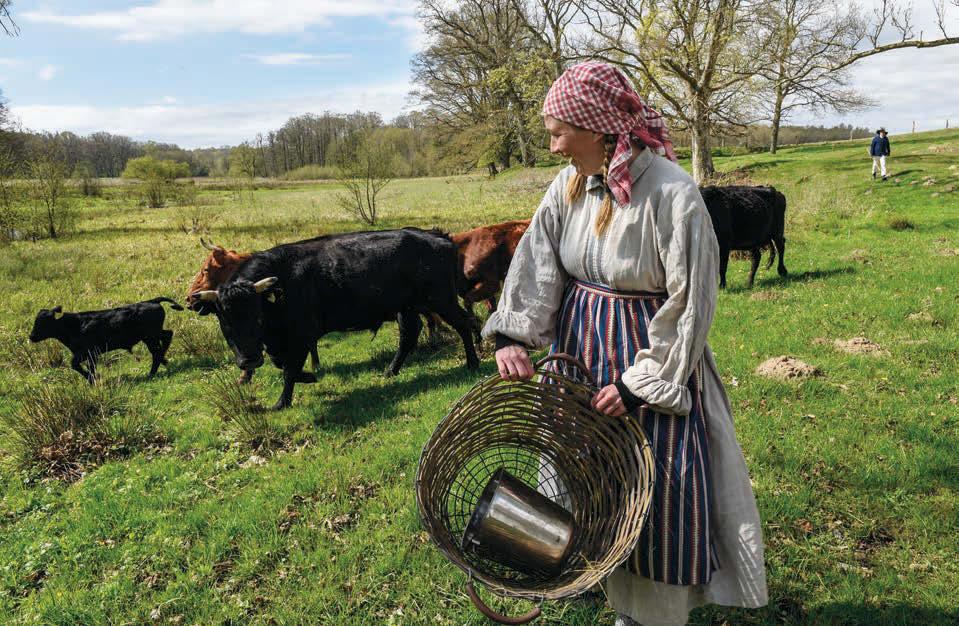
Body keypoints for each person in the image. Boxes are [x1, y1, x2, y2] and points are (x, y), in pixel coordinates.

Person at [482, 61, 767, 626]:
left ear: (599, 128)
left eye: (559, 131)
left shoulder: (673, 193)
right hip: (580, 359)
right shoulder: (568, 186)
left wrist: (639, 386)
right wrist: (513, 334)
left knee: (654, 488)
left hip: (646, 365)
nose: (553, 144)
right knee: (583, 475)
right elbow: (538, 263)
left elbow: (690, 304)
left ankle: (648, 614)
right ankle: (593, 574)